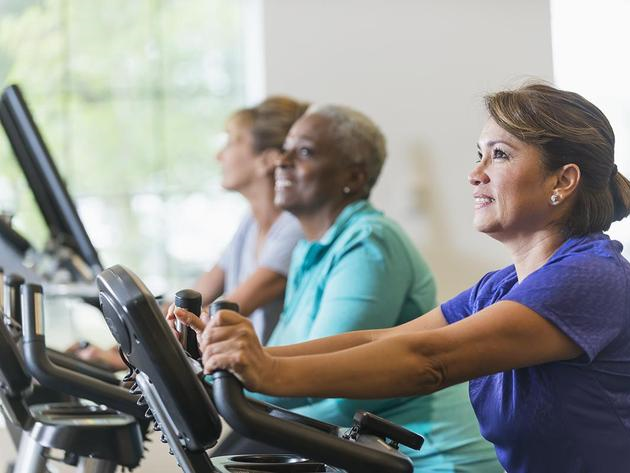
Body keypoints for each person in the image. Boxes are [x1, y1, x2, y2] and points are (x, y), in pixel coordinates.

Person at [194, 84, 630, 473]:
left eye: (500, 155)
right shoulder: (501, 287)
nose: (475, 172)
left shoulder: (590, 278)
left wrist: (266, 373)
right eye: (478, 154)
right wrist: (229, 361)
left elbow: (430, 362)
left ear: (563, 180)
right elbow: (387, 339)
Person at [175, 104, 501, 471]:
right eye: (285, 149)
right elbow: (287, 356)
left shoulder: (370, 244)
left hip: (431, 459)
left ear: (354, 176)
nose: (282, 161)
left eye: (304, 152)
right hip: (367, 454)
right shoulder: (309, 252)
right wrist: (222, 364)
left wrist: (234, 374)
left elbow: (332, 386)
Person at [71, 96, 307, 370]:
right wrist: (120, 348)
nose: (219, 155)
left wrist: (125, 358)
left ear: (267, 160)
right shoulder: (251, 223)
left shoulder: (293, 230)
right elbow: (195, 296)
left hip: (260, 385)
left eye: (232, 141)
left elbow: (221, 315)